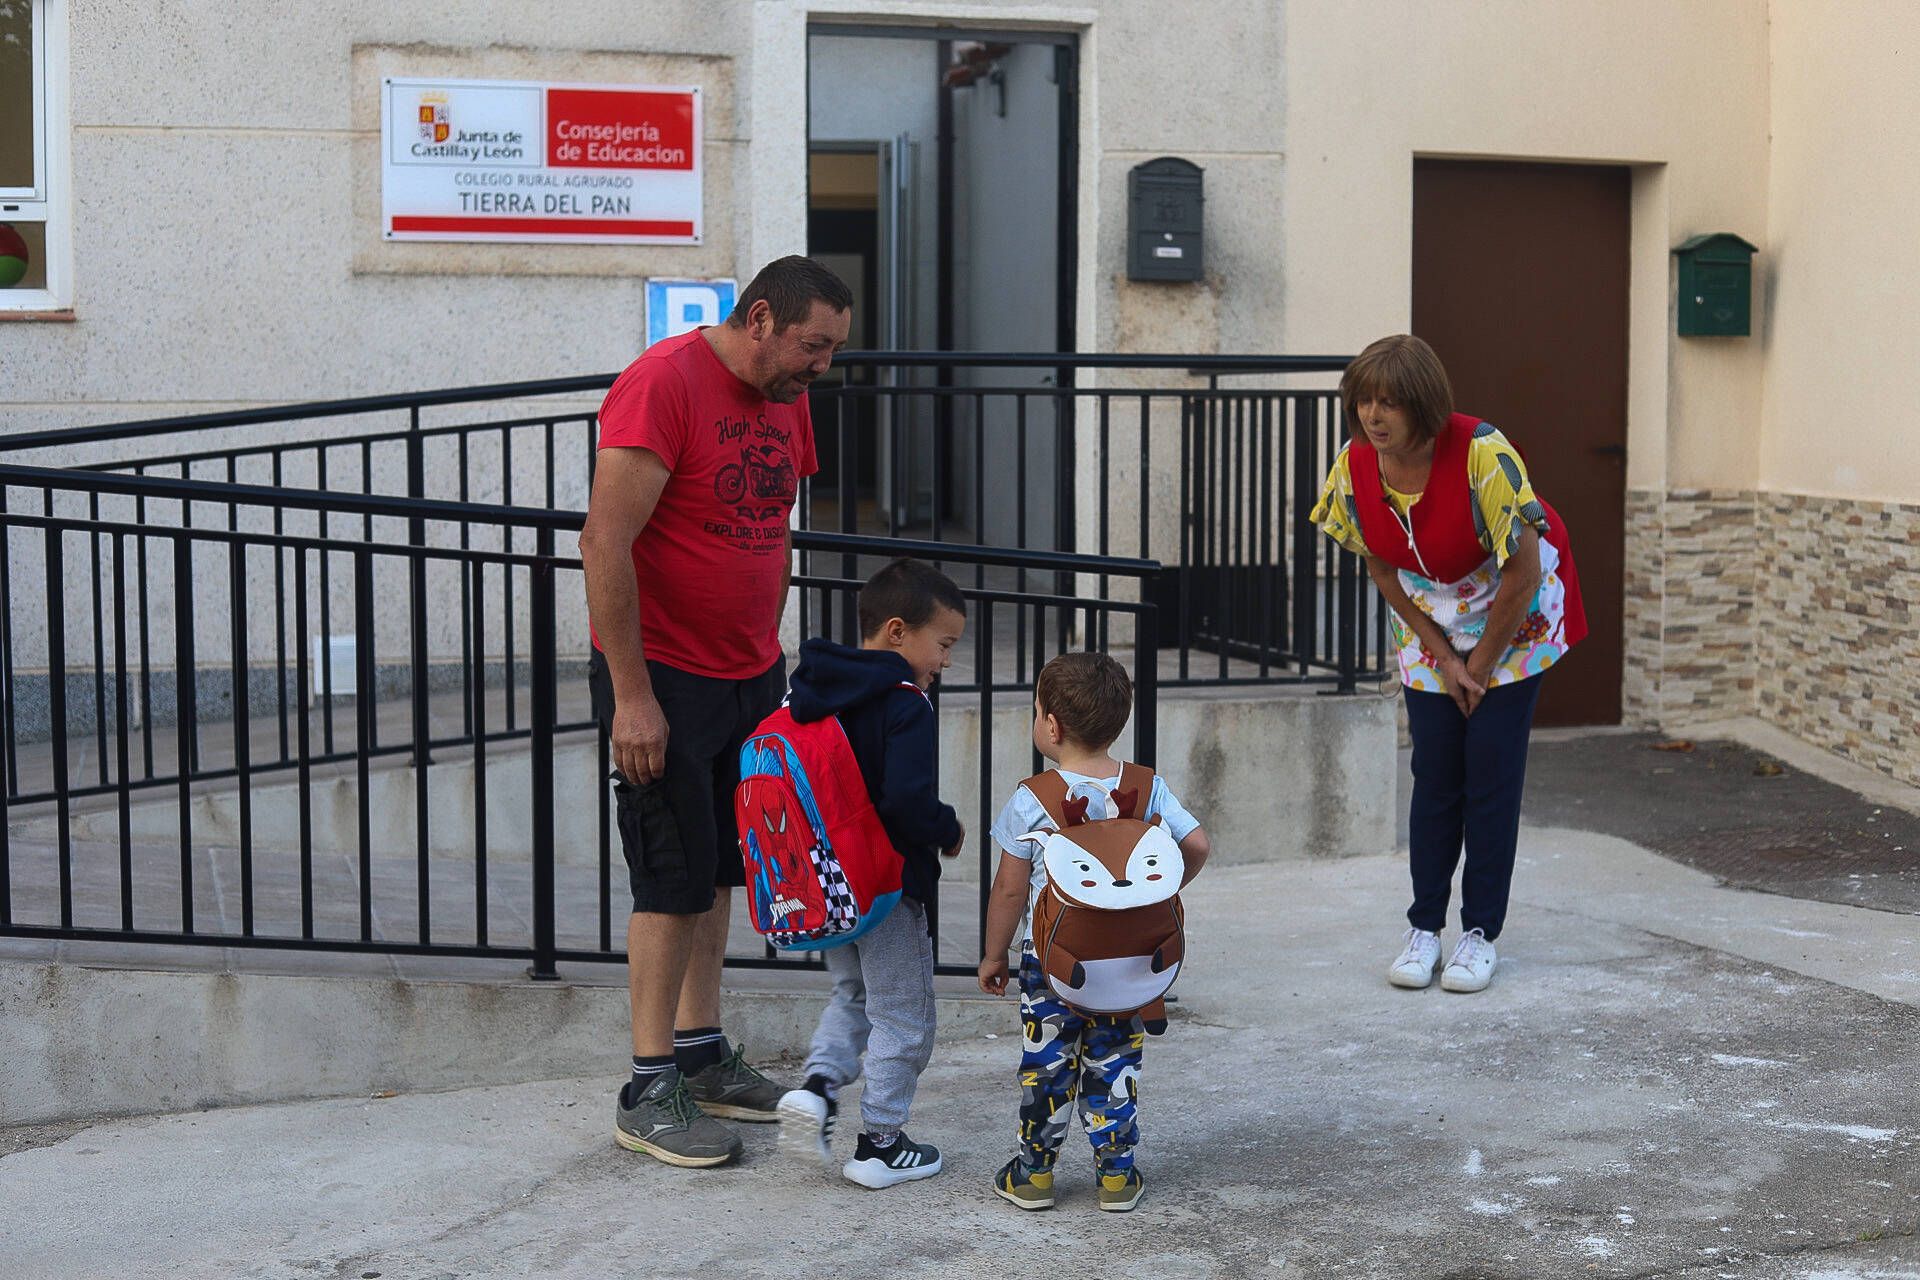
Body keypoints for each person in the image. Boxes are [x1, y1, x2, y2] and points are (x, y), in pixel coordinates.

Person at [579, 255, 853, 1167]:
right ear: (764, 318)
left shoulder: (788, 397)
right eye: (814, 345)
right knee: (669, 876)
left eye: (832, 350)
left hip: (748, 673)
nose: (822, 365)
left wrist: (768, 658)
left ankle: (701, 1054)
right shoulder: (662, 386)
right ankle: (648, 1084)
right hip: (660, 679)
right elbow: (604, 540)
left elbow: (771, 527)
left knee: (724, 870)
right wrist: (631, 698)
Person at [1308, 333, 1587, 995]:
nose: (1374, 417)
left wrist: (1481, 666)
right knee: (1435, 774)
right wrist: (1440, 652)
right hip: (1433, 616)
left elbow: (1520, 574)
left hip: (1515, 618)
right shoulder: (1354, 466)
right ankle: (1424, 928)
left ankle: (1479, 934)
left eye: (1390, 404)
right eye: (1364, 402)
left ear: (1423, 406)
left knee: (1488, 773)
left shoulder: (1482, 456)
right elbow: (1379, 566)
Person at [977, 652, 1211, 1213]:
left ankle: (1034, 1176)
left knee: (1048, 1065)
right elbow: (1196, 846)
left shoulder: (1032, 799)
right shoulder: (1147, 788)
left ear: (1050, 726)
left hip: (1051, 963)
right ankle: (1116, 1178)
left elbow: (1010, 890)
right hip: (1131, 963)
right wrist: (1160, 892)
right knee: (1116, 1064)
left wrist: (993, 955)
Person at [773, 558, 969, 1188]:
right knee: (904, 1014)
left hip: (823, 887)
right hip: (886, 888)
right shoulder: (904, 703)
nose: (943, 661)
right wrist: (948, 830)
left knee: (853, 995)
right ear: (896, 632)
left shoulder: (806, 692)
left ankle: (819, 1088)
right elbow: (905, 802)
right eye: (942, 645)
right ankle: (881, 1143)